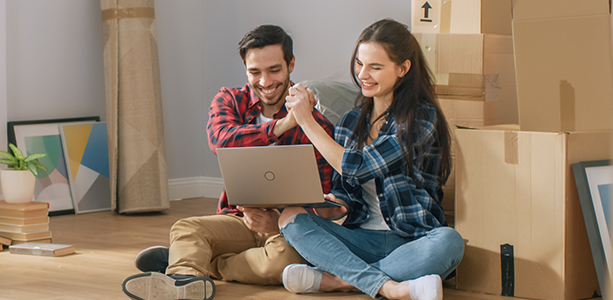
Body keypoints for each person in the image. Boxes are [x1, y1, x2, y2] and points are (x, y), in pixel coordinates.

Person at [120, 24, 336, 300]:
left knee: (282, 264)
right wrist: (279, 127)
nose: (265, 81)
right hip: (239, 220)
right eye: (254, 72)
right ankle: (184, 282)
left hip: (287, 231)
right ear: (245, 68)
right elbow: (221, 142)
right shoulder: (230, 100)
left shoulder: (315, 123)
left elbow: (325, 194)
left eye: (274, 70)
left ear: (290, 63)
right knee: (186, 228)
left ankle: (198, 264)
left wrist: (277, 221)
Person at [274, 19, 464, 300]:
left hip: (412, 240)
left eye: (375, 67)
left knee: (450, 242)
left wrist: (306, 121)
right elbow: (344, 188)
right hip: (362, 239)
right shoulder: (351, 121)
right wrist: (334, 206)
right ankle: (391, 287)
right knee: (291, 216)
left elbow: (358, 166)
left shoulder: (420, 117)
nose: (363, 74)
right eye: (360, 64)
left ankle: (340, 281)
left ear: (403, 69)